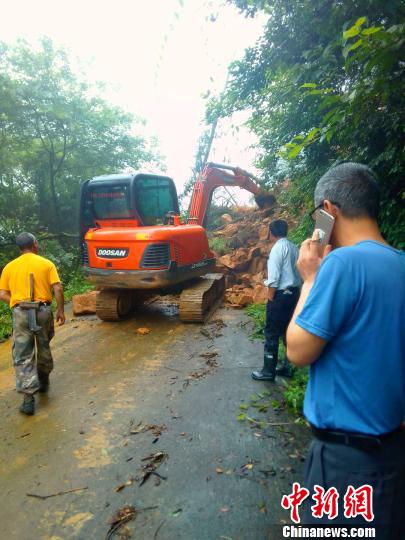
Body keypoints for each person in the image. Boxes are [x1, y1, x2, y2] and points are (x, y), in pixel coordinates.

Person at [286, 163, 405, 536]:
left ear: (329, 209)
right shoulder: (400, 263)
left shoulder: (342, 262)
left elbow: (298, 350)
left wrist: (309, 279)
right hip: (392, 456)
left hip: (343, 463)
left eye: (318, 216)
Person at [0, 233, 65, 415]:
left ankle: (28, 399)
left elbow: (2, 293)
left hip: (20, 313)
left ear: (19, 248)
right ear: (35, 244)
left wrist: (18, 302)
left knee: (22, 354)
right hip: (43, 311)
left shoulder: (9, 267)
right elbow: (57, 288)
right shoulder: (46, 263)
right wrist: (60, 310)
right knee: (44, 345)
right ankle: (43, 380)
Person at [251, 219, 301, 381]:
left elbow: (273, 278)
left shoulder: (277, 249)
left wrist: (270, 296)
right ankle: (288, 366)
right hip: (294, 294)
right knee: (287, 331)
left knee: (271, 332)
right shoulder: (294, 248)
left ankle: (268, 371)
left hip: (280, 295)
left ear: (271, 233)